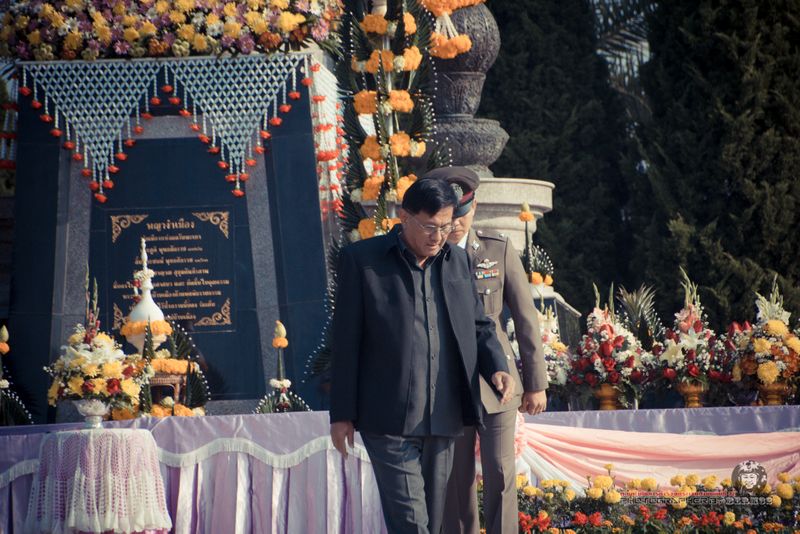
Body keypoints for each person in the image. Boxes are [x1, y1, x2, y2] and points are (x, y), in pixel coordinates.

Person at [329, 177, 516, 534]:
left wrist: (496, 366)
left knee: (433, 519)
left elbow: (478, 324)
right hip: (388, 420)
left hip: (443, 416)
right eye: (430, 226)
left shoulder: (457, 260)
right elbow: (346, 341)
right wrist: (341, 414)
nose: (438, 236)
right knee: (413, 523)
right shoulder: (363, 261)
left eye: (446, 226)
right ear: (404, 216)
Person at [434, 167, 548, 534]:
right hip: (450, 383)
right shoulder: (429, 255)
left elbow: (526, 318)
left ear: (474, 208)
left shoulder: (497, 249)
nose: (456, 225)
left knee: (500, 471)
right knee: (457, 480)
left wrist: (536, 383)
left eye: (462, 215)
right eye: (450, 217)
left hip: (499, 383)